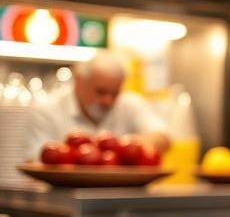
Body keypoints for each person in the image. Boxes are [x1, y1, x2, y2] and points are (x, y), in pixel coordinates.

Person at [27, 52, 169, 157]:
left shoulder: (130, 103)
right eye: (101, 92)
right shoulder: (46, 110)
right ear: (79, 83)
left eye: (115, 94)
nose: (108, 101)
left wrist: (125, 145)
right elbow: (36, 160)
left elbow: (163, 138)